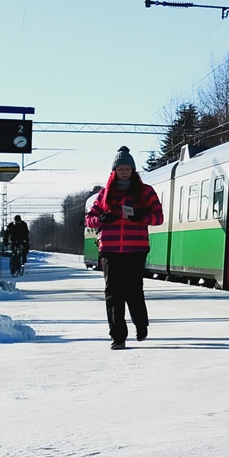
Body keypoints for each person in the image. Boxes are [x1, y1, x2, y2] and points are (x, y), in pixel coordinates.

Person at [86, 146, 163, 350]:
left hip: (136, 248)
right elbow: (89, 219)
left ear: (133, 170)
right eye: (120, 169)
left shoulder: (146, 191)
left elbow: (158, 218)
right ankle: (118, 336)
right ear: (114, 170)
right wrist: (101, 219)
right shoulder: (104, 194)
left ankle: (141, 324)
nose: (124, 172)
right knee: (113, 293)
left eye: (127, 169)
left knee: (133, 290)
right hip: (109, 249)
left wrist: (141, 217)